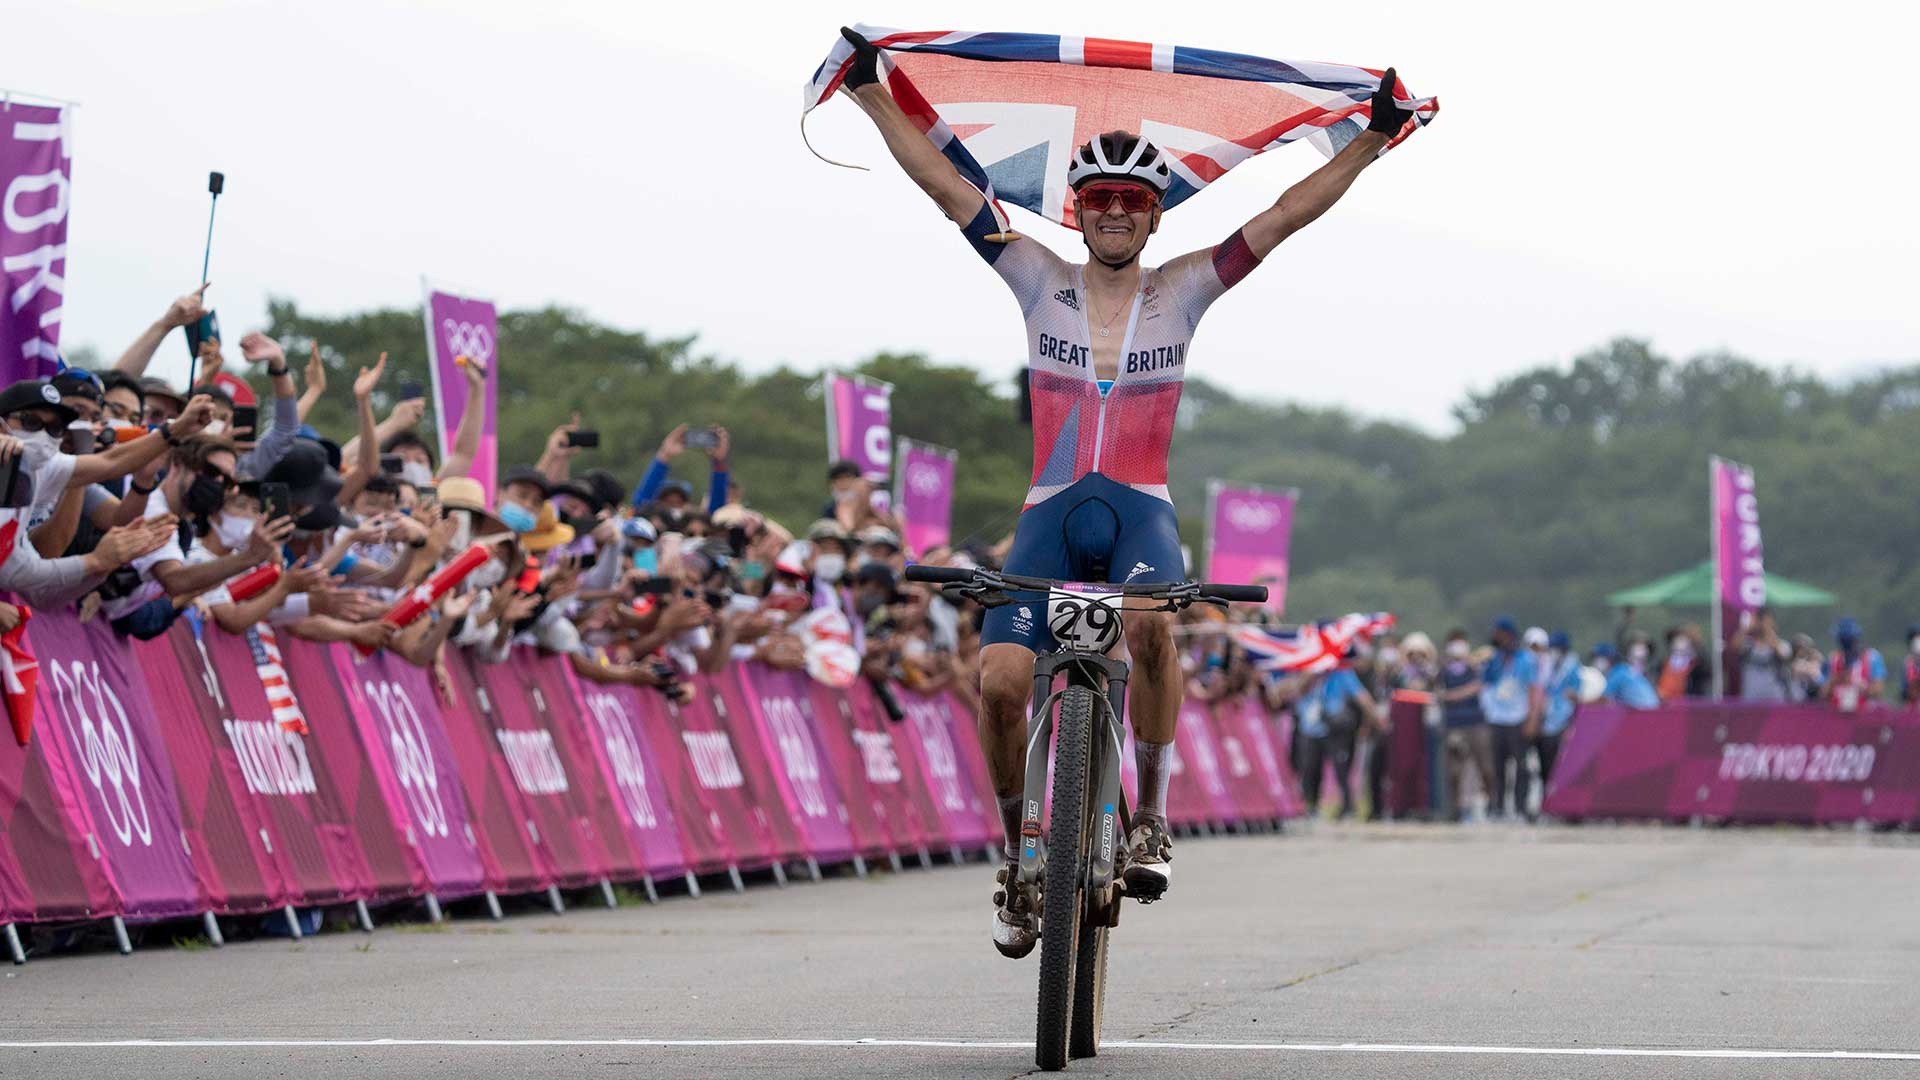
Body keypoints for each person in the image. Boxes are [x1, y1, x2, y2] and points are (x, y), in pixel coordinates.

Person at [836, 24, 1419, 957]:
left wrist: (1369, 140)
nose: (1113, 211)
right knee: (998, 686)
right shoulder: (1036, 278)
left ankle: (1148, 817)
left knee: (1150, 623)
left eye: (1131, 201)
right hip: (1048, 517)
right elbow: (949, 189)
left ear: (1154, 217)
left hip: (1140, 510)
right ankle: (1021, 848)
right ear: (1078, 210)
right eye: (1099, 198)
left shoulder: (1187, 288)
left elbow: (1287, 213)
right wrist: (870, 93)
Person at [1479, 616, 1542, 820]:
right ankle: (1497, 806)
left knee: (1521, 765)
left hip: (1518, 718)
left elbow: (1534, 689)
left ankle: (1520, 807)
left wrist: (1533, 717)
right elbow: (1485, 685)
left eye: (1498, 633)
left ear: (1508, 635)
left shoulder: (1526, 660)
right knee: (1497, 766)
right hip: (1497, 719)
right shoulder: (1494, 659)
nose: (1495, 637)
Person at [1436, 629, 1493, 821]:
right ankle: (1455, 810)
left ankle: (1494, 805)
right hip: (1453, 725)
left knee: (1486, 767)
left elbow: (1483, 683)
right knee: (1453, 771)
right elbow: (1438, 692)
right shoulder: (1443, 670)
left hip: (1476, 723)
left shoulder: (1475, 667)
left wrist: (1455, 695)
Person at [1537, 631, 1582, 789]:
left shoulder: (1572, 667)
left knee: (1561, 761)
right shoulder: (1546, 665)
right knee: (1545, 762)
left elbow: (1576, 694)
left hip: (1565, 719)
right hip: (1547, 720)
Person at [1730, 607, 1793, 702]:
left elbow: (1784, 656)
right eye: (1761, 621)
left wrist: (1769, 630)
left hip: (1775, 698)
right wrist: (1747, 628)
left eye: (1768, 622)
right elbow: (1733, 646)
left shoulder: (1782, 644)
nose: (1764, 625)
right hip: (1751, 697)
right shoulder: (1748, 645)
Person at [1825, 617, 1885, 712]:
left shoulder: (1872, 657)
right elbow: (1824, 693)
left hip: (1864, 713)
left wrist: (1858, 685)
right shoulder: (1834, 659)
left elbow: (1878, 690)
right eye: (1843, 641)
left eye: (1848, 641)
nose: (1846, 646)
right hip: (1837, 713)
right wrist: (1836, 680)